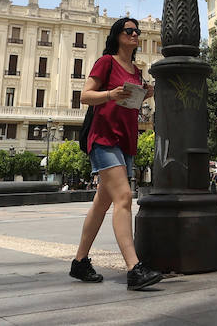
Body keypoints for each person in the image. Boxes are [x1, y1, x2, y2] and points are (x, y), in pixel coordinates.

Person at [69, 16, 162, 291]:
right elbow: (85, 96)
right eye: (128, 30)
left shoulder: (135, 71)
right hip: (103, 137)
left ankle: (80, 261)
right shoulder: (106, 62)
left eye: (137, 31)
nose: (134, 34)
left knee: (102, 202)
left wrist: (144, 94)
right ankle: (134, 268)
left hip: (126, 139)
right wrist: (110, 94)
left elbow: (129, 102)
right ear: (117, 35)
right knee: (123, 197)